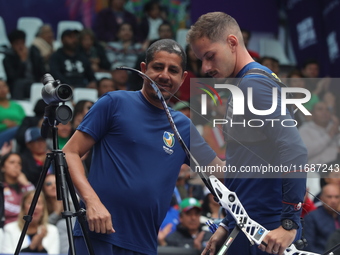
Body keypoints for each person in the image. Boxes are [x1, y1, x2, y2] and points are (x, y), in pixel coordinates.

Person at [62, 39, 223, 255]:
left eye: (173, 70)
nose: (164, 75)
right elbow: (69, 152)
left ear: (183, 78)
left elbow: (222, 172)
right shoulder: (114, 102)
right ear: (144, 69)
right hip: (96, 235)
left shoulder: (183, 126)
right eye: (158, 67)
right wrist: (91, 202)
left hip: (144, 244)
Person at [188, 12, 307, 255]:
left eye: (210, 56)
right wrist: (228, 222)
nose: (205, 68)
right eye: (201, 60)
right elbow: (244, 166)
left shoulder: (253, 85)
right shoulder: (247, 84)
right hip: (247, 226)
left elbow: (294, 150)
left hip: (266, 231)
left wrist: (289, 223)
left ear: (232, 43)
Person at [0, 190, 60, 254]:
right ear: (23, 207)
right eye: (30, 203)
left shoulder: (52, 230)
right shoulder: (10, 229)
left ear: (43, 209)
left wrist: (40, 246)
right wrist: (32, 246)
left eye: (39, 203)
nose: (35, 207)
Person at [3, 29, 46, 99]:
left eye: (22, 43)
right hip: (17, 86)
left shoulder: (33, 53)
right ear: (11, 44)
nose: (20, 46)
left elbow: (42, 71)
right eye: (17, 44)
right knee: (19, 83)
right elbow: (13, 78)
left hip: (34, 83)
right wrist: (22, 61)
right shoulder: (8, 59)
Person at [303, 184, 340, 253]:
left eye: (337, 197)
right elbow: (308, 246)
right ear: (321, 198)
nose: (333, 200)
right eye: (329, 197)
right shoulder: (312, 217)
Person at [0, 152, 34, 225]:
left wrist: (27, 184)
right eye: (12, 162)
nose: (16, 166)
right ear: (2, 167)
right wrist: (25, 211)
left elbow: (37, 202)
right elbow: (3, 209)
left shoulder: (25, 186)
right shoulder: (1, 186)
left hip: (28, 225)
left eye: (19, 163)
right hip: (6, 227)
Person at [0, 79, 26, 148]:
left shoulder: (17, 106)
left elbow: (25, 121)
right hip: (2, 134)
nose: (2, 89)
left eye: (4, 86)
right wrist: (6, 125)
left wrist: (15, 124)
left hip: (18, 132)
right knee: (19, 130)